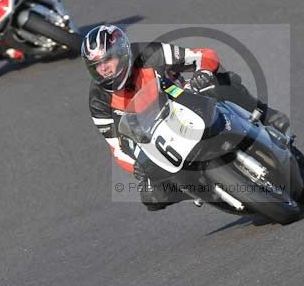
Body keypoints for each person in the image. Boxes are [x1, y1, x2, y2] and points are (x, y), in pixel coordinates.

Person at [83, 24, 290, 211]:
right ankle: (198, 190)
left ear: (122, 52)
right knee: (151, 196)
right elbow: (116, 147)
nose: (104, 69)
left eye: (108, 60)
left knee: (222, 81)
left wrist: (203, 73)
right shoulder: (98, 101)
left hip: (185, 103)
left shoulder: (149, 53)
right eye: (97, 66)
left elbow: (204, 55)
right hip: (159, 142)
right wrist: (135, 165)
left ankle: (264, 113)